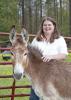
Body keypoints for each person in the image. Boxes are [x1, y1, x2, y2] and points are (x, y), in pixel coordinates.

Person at [29, 16, 68, 100]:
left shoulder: (60, 39)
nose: (47, 27)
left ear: (54, 26)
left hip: (55, 74)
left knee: (52, 97)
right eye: (45, 25)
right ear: (42, 27)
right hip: (38, 74)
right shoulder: (36, 39)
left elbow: (63, 55)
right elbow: (29, 56)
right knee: (33, 98)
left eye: (49, 25)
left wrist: (51, 56)